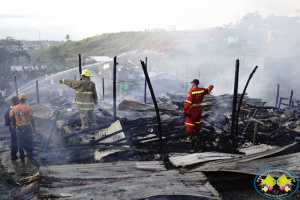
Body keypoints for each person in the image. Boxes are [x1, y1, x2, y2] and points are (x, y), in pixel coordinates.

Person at [11, 93, 36, 162]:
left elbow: (12, 119)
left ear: (19, 99)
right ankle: (30, 157)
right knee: (30, 142)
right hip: (27, 128)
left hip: (19, 128)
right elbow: (31, 119)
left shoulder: (14, 108)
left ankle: (22, 159)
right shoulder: (28, 108)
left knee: (20, 143)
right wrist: (34, 128)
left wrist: (15, 126)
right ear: (25, 99)